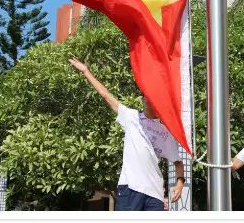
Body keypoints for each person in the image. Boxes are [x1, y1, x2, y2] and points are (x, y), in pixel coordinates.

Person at [68, 57, 185, 211]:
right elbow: (105, 94)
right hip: (131, 188)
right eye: (144, 96)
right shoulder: (131, 117)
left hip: (155, 194)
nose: (146, 99)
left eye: (151, 97)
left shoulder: (165, 132)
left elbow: (178, 162)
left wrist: (180, 183)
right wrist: (86, 71)